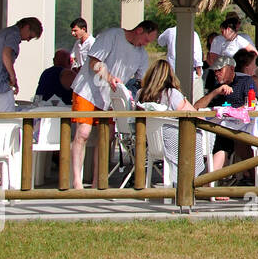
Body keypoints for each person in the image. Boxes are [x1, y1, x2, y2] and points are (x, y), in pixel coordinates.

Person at [69, 20, 160, 189]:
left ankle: (98, 181)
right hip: (87, 90)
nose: (146, 44)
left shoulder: (141, 54)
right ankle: (76, 181)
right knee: (83, 132)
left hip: (111, 98)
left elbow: (143, 80)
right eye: (147, 40)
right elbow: (94, 62)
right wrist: (109, 77)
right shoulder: (113, 35)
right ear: (139, 30)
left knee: (107, 137)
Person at [138, 59, 224, 178]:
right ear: (171, 76)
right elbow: (195, 114)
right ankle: (202, 181)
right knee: (213, 140)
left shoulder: (141, 94)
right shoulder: (171, 94)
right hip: (172, 142)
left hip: (152, 143)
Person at [0, 17, 44, 112]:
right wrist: (13, 76)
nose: (28, 40)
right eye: (30, 36)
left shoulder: (3, 32)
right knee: (6, 119)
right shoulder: (13, 34)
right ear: (26, 27)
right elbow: (6, 54)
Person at [157, 24, 203, 96]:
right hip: (190, 75)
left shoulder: (169, 32)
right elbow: (197, 58)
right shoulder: (193, 34)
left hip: (171, 74)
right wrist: (199, 75)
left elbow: (160, 42)